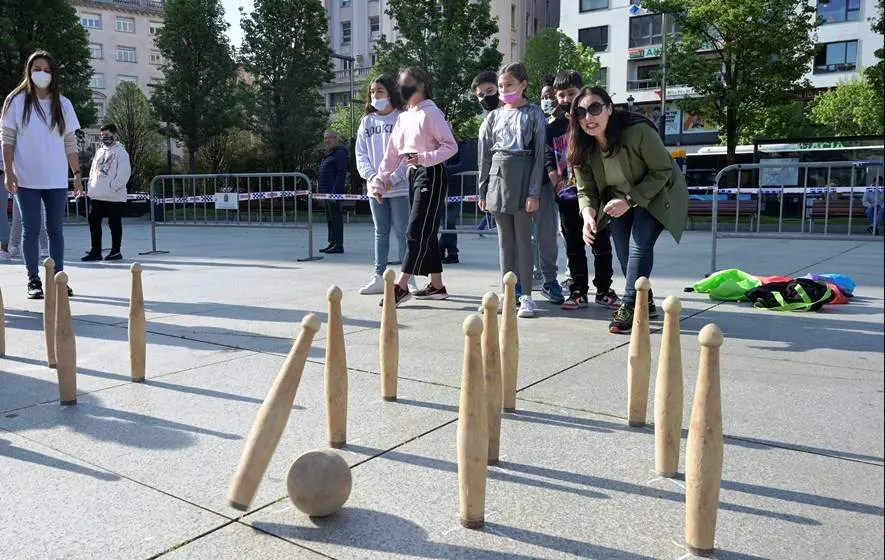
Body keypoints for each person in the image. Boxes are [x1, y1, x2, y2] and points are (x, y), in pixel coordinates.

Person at [568, 86, 688, 334]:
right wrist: (588, 215)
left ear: (609, 109)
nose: (588, 117)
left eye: (595, 108)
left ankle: (630, 304)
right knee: (623, 253)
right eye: (581, 112)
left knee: (639, 245)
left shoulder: (638, 132)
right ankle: (647, 300)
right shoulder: (581, 146)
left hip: (656, 193)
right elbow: (585, 190)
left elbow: (662, 171)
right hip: (617, 200)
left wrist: (630, 200)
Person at [370, 67, 458, 306]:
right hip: (413, 174)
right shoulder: (404, 117)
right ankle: (437, 285)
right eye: (401, 85)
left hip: (432, 174)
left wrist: (424, 158)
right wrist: (379, 181)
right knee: (426, 231)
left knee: (416, 229)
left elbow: (450, 146)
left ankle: (402, 286)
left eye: (409, 84)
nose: (404, 89)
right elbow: (391, 154)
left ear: (422, 85)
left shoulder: (431, 113)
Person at [2, 50, 82, 299]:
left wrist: (77, 174)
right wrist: (9, 172)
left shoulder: (63, 104)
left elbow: (70, 142)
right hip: (26, 178)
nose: (42, 74)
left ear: (53, 73)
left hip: (56, 179)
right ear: (29, 71)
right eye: (37, 69)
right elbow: (8, 139)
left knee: (56, 229)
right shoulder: (16, 101)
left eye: (47, 70)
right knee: (31, 229)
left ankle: (59, 278)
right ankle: (33, 279)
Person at [546, 70, 620, 312]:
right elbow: (548, 155)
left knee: (601, 244)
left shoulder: (588, 122)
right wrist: (554, 177)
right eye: (561, 95)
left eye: (572, 93)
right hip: (567, 196)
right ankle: (577, 289)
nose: (566, 99)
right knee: (574, 245)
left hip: (595, 194)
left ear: (581, 93)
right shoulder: (553, 127)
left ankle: (603, 289)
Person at [477, 62, 546, 318]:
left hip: (523, 174)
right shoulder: (493, 116)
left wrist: (534, 192)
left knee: (524, 240)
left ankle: (527, 295)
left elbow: (539, 156)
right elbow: (484, 155)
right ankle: (508, 292)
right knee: (504, 241)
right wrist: (482, 191)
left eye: (510, 85)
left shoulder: (533, 113)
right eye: (502, 85)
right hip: (497, 177)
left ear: (523, 84)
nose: (505, 90)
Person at [355, 74, 413, 295]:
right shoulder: (366, 121)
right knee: (381, 233)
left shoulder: (403, 118)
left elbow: (409, 154)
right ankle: (379, 276)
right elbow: (360, 154)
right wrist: (373, 178)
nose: (374, 96)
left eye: (379, 91)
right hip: (375, 188)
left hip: (398, 187)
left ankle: (409, 277)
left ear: (390, 93)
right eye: (372, 92)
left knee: (402, 232)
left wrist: (392, 178)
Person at [82, 123, 131, 262]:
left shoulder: (121, 152)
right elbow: (93, 170)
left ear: (114, 135)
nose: (104, 138)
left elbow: (124, 173)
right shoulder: (99, 151)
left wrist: (113, 186)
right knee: (94, 221)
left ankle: (116, 251)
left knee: (114, 223)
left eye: (107, 135)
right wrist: (91, 186)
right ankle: (95, 251)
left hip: (114, 196)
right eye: (102, 135)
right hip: (97, 194)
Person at [439, 137, 477, 264]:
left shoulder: (461, 144)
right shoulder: (437, 143)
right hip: (440, 188)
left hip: (455, 189)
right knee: (445, 223)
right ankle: (452, 252)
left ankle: (440, 249)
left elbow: (463, 165)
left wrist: (442, 171)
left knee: (449, 223)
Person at [472, 71, 501, 234]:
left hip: (528, 187)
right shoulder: (486, 124)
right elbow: (483, 160)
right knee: (507, 242)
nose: (485, 98)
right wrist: (482, 193)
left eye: (490, 91)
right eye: (480, 95)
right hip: (499, 187)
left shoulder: (525, 114)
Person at [318, 130, 348, 254]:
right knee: (330, 219)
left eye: (330, 137)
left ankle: (338, 244)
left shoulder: (339, 153)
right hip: (327, 193)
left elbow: (341, 174)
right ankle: (332, 242)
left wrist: (335, 193)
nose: (327, 140)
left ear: (337, 139)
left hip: (333, 193)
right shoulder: (329, 154)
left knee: (336, 219)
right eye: (325, 138)